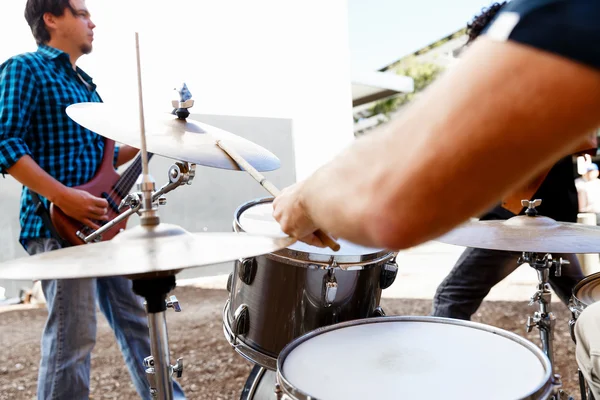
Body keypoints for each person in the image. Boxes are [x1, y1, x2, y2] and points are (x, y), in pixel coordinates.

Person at [271, 0, 600, 395]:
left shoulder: (562, 17)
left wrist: (306, 198)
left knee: (452, 296)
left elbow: (391, 203)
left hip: (525, 222)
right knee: (586, 307)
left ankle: (446, 384)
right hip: (542, 219)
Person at [0, 1, 185, 399]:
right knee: (74, 335)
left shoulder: (87, 86)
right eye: (82, 13)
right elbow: (5, 144)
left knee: (141, 320)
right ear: (51, 18)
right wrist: (65, 197)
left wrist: (159, 135)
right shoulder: (24, 68)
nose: (92, 21)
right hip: (56, 225)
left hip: (104, 226)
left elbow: (103, 155)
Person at [431, 1, 589, 320]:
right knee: (582, 301)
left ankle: (444, 366)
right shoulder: (546, 82)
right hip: (546, 217)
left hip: (517, 214)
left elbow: (584, 139)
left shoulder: (532, 86)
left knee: (453, 296)